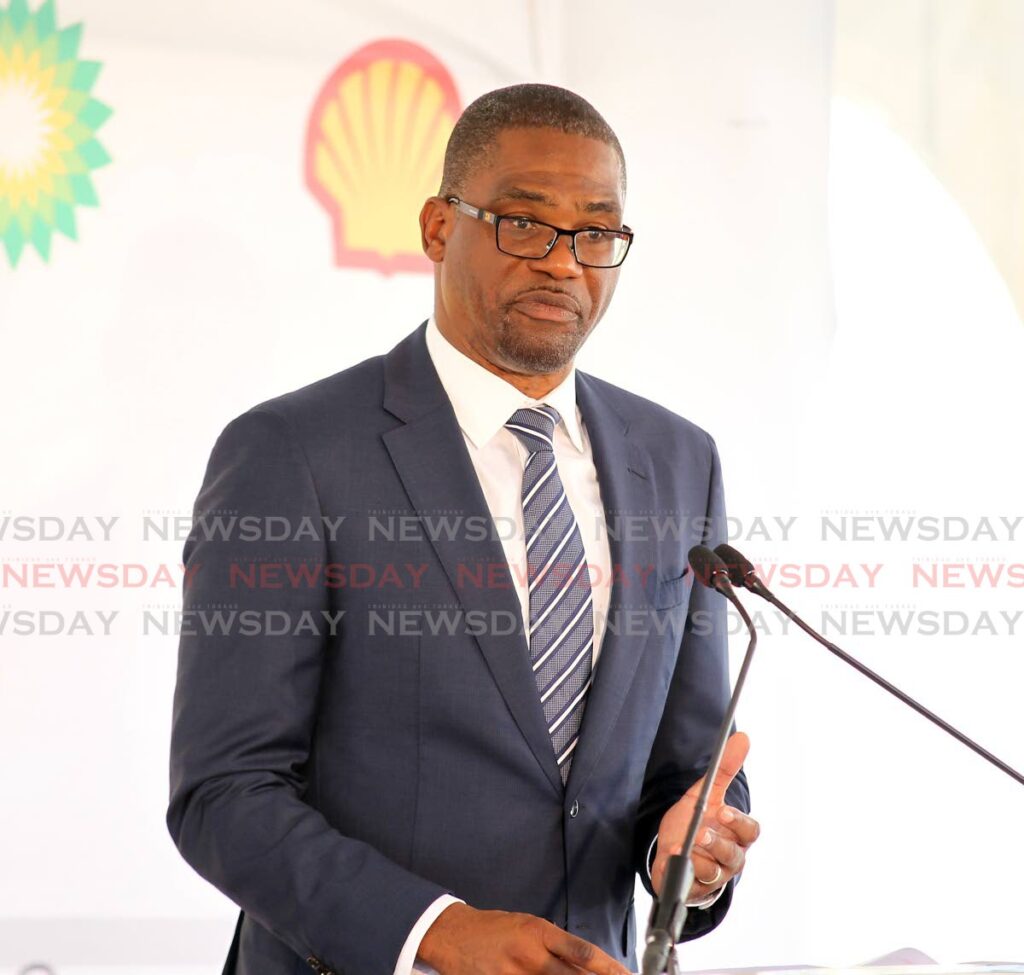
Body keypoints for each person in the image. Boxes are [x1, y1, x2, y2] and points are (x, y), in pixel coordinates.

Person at [167, 83, 760, 975]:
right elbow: (224, 793)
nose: (564, 262)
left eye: (597, 233)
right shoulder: (292, 452)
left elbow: (687, 765)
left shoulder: (679, 461)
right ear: (439, 228)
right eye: (525, 222)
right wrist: (433, 929)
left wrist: (690, 849)